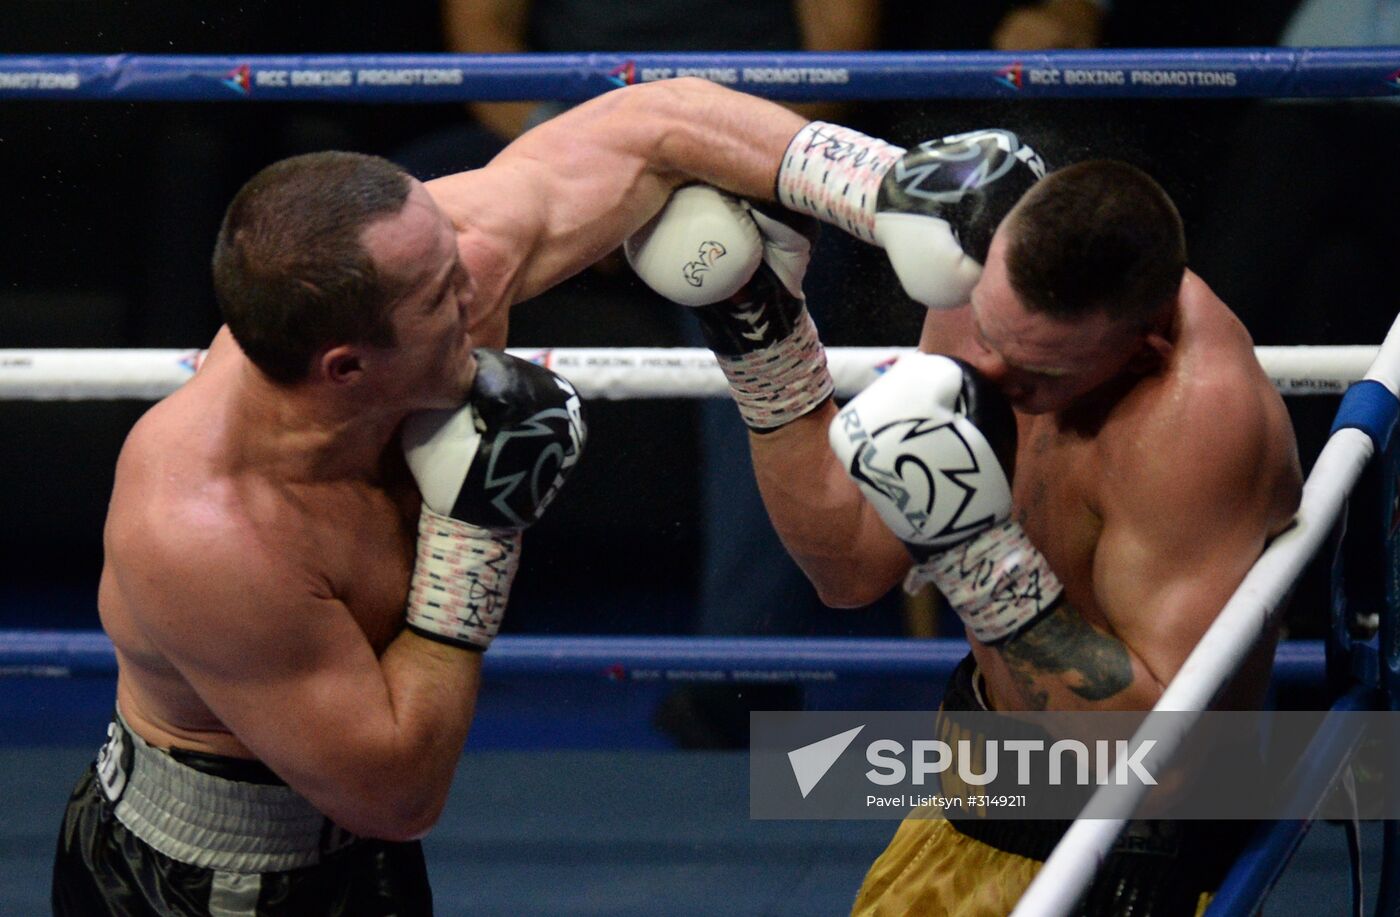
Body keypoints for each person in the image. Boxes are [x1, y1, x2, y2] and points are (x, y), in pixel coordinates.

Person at [47, 78, 830, 915]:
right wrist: (477, 531)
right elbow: (398, 792)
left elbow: (652, 125)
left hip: (362, 852)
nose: (478, 295)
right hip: (209, 883)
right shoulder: (207, 531)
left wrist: (896, 190)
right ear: (345, 367)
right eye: (441, 298)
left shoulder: (425, 272)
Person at [629, 127, 1303, 912]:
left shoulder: (1195, 423)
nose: (985, 373)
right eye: (985, 333)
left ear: (1142, 350)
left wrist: (979, 555)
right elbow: (849, 565)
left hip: (1128, 863)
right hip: (965, 811)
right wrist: (762, 341)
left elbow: (1168, 765)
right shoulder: (975, 284)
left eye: (1035, 370)